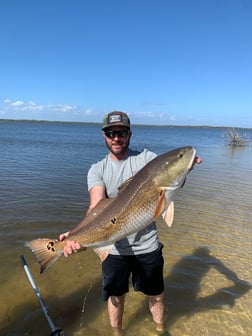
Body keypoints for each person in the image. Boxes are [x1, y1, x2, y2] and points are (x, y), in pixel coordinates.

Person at [59, 111, 201, 336]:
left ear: (129, 134)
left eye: (122, 132)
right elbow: (96, 207)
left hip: (148, 245)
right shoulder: (97, 169)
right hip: (113, 247)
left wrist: (185, 169)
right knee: (115, 297)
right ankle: (117, 333)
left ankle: (160, 330)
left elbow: (174, 183)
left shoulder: (147, 159)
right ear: (104, 136)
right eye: (111, 133)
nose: (116, 138)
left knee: (156, 294)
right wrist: (76, 235)